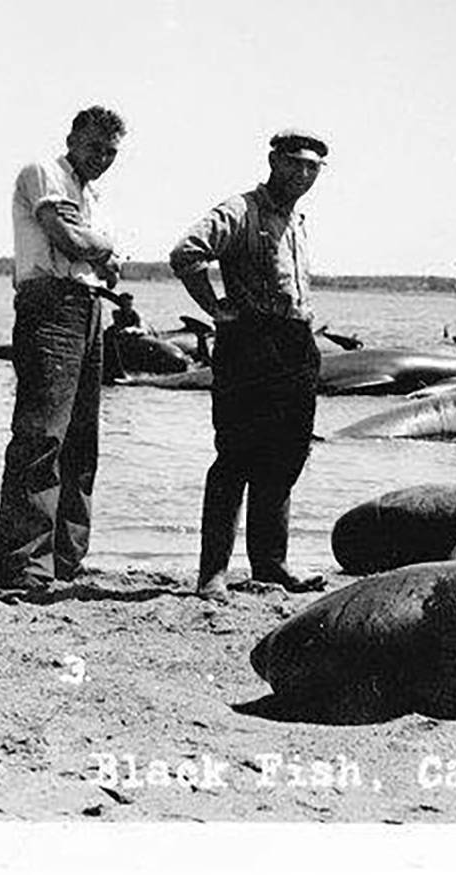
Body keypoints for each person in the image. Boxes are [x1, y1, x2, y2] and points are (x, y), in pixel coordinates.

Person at [169, 128, 329, 601]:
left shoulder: (296, 220)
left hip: (295, 344)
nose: (302, 174)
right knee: (235, 458)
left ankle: (270, 566)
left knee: (285, 459)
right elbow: (186, 254)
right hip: (249, 343)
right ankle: (212, 574)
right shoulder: (241, 210)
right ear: (273, 161)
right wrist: (217, 308)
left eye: (313, 167)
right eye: (294, 163)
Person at [0, 106, 126, 591]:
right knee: (41, 435)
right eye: (94, 148)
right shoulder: (43, 172)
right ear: (71, 138)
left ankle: (65, 559)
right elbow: (67, 239)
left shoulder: (92, 193)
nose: (102, 159)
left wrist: (99, 247)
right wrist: (103, 245)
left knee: (81, 440)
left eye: (111, 152)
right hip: (49, 304)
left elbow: (102, 260)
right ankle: (25, 563)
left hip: (89, 307)